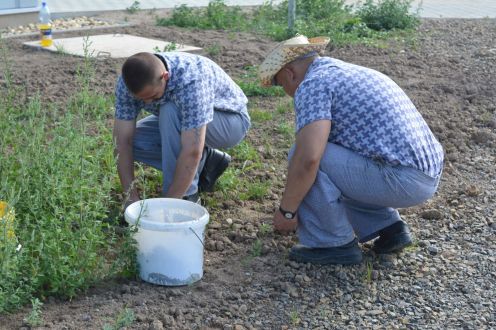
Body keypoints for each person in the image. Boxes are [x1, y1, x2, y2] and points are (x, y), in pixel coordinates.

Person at [258, 36, 444, 265]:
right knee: (337, 164)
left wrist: (287, 211)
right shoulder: (348, 72)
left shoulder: (313, 84)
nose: (285, 90)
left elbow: (308, 159)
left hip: (403, 179)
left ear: (289, 73)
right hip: (425, 174)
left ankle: (332, 244)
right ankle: (389, 228)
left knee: (305, 154)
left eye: (279, 83)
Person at [113, 51, 250, 206]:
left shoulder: (191, 81)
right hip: (186, 121)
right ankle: (205, 162)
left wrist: (169, 204)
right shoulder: (126, 85)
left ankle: (187, 196)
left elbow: (192, 150)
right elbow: (122, 143)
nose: (148, 102)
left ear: (165, 77)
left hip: (229, 122)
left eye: (153, 96)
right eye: (142, 99)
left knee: (170, 110)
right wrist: (130, 198)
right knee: (134, 142)